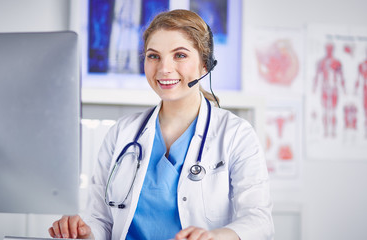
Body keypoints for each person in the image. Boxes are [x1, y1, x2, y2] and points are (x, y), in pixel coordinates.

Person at [49, 9, 274, 240]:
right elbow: (100, 219)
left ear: (205, 65)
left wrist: (216, 237)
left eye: (180, 55)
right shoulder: (122, 132)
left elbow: (259, 221)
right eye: (153, 56)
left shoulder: (236, 134)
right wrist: (85, 232)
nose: (164, 68)